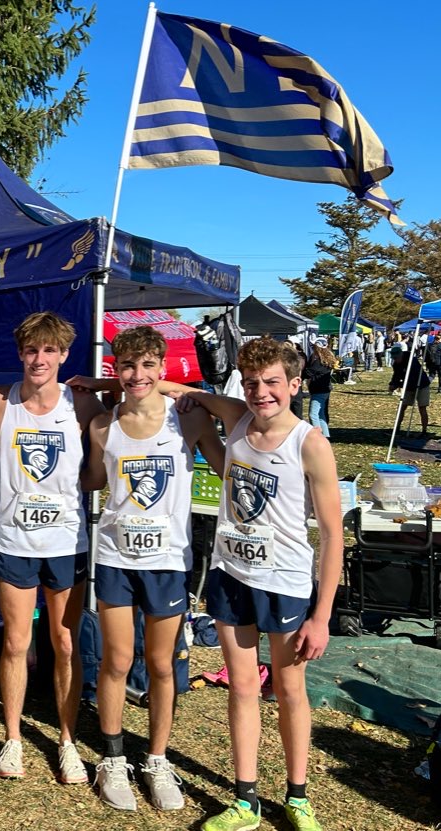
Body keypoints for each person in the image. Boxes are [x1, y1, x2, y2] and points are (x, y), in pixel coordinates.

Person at [171, 337, 342, 831]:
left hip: (284, 581)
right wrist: (100, 383)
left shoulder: (310, 443)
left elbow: (332, 537)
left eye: (271, 383)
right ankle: (246, 800)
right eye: (250, 383)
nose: (260, 392)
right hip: (230, 575)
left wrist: (322, 616)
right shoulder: (235, 416)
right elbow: (169, 386)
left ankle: (297, 795)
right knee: (243, 687)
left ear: (293, 385)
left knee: (289, 688)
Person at [76, 326, 224, 812]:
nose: (137, 375)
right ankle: (114, 758)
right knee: (117, 661)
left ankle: (157, 760)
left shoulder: (190, 419)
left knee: (162, 665)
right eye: (126, 367)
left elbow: (230, 460)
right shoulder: (103, 425)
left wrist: (185, 392)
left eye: (147, 366)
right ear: (115, 371)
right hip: (117, 558)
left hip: (167, 561)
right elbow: (94, 479)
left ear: (162, 368)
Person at [0, 312, 104, 783]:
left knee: (65, 643)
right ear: (20, 353)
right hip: (15, 540)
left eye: (49, 351)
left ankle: (67, 741)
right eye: (32, 350)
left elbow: (138, 398)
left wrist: (93, 382)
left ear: (63, 355)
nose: (39, 359)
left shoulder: (83, 405)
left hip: (66, 541)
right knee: (16, 641)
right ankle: (12, 739)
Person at [391, 349, 431, 438]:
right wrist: (393, 384)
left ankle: (424, 431)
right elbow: (396, 375)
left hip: (421, 385)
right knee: (402, 406)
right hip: (409, 387)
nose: (395, 360)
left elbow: (412, 377)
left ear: (401, 355)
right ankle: (397, 428)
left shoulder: (412, 361)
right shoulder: (396, 365)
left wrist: (399, 384)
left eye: (396, 358)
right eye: (394, 358)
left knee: (422, 408)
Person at [302, 339, 334, 439]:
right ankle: (326, 435)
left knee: (313, 415)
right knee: (321, 415)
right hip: (325, 389)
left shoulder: (319, 362)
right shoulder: (327, 360)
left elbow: (308, 373)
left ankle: (317, 437)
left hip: (319, 390)